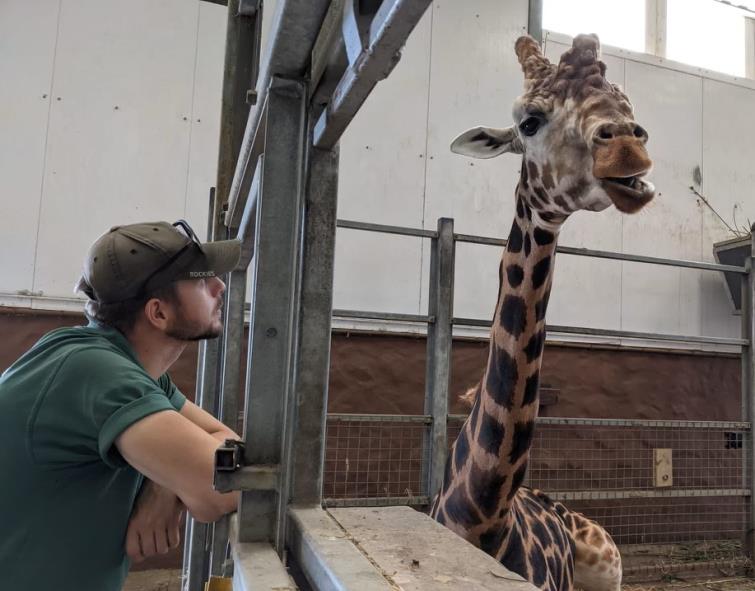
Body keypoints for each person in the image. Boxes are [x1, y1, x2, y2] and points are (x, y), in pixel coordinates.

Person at [0, 220, 242, 591]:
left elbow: (223, 442)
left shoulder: (126, 367)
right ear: (158, 313)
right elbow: (223, 486)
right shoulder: (98, 373)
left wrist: (163, 485)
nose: (219, 286)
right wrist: (182, 477)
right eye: (199, 280)